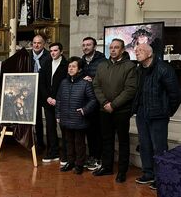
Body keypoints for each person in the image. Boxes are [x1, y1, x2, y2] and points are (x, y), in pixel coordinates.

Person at [133, 44, 181, 190]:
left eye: (140, 51)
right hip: (142, 114)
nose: (136, 53)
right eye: (136, 51)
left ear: (149, 54)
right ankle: (148, 173)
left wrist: (167, 111)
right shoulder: (139, 69)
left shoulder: (163, 69)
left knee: (159, 147)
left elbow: (175, 94)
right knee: (145, 145)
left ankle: (160, 177)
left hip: (158, 115)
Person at [92, 38, 137, 183]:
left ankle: (122, 171)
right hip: (104, 110)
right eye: (111, 47)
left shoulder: (130, 66)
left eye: (116, 47)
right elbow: (96, 86)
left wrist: (114, 105)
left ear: (122, 50)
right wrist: (105, 103)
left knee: (123, 141)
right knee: (106, 140)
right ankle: (107, 167)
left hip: (121, 111)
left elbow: (130, 89)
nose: (113, 50)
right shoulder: (102, 65)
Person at [56, 57, 97, 174]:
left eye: (74, 66)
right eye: (69, 66)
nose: (71, 69)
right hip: (65, 118)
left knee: (79, 143)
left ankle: (79, 164)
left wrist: (84, 110)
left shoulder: (85, 83)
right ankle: (70, 162)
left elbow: (93, 100)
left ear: (79, 69)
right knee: (68, 142)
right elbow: (58, 100)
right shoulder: (64, 82)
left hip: (79, 118)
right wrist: (58, 115)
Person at [39, 42, 68, 164]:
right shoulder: (46, 63)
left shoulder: (66, 65)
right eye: (51, 51)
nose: (53, 53)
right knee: (50, 128)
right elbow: (42, 83)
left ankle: (66, 155)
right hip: (48, 102)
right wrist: (47, 98)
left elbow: (66, 84)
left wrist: (57, 99)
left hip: (61, 102)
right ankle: (53, 152)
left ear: (61, 51)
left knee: (65, 129)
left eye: (55, 50)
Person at [81, 37, 106, 171]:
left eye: (88, 45)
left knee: (98, 131)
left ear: (94, 46)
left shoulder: (102, 61)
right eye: (84, 45)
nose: (85, 47)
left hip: (99, 100)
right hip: (86, 101)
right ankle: (92, 156)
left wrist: (93, 79)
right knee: (90, 131)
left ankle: (98, 157)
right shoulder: (82, 61)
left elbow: (106, 78)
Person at [29, 35, 51, 151]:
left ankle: (51, 145)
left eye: (39, 43)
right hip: (32, 91)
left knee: (48, 119)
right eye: (34, 43)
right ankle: (39, 143)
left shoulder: (49, 56)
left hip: (45, 91)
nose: (36, 45)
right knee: (36, 119)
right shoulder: (28, 56)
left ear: (43, 44)